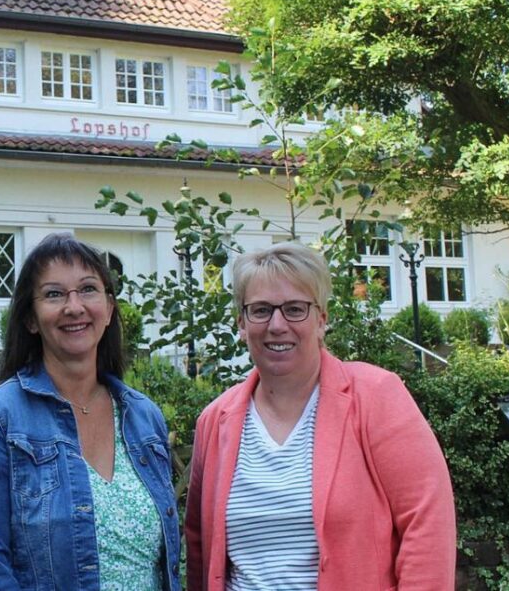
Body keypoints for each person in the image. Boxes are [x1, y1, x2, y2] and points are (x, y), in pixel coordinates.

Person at [185, 241, 456, 591]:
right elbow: (200, 547)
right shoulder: (214, 421)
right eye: (261, 310)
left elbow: (427, 522)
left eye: (295, 309)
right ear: (241, 323)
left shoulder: (375, 396)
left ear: (321, 320)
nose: (277, 324)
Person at [0, 233, 181, 591]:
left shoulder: (143, 417)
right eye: (54, 294)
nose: (74, 307)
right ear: (31, 319)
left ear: (109, 309)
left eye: (88, 289)